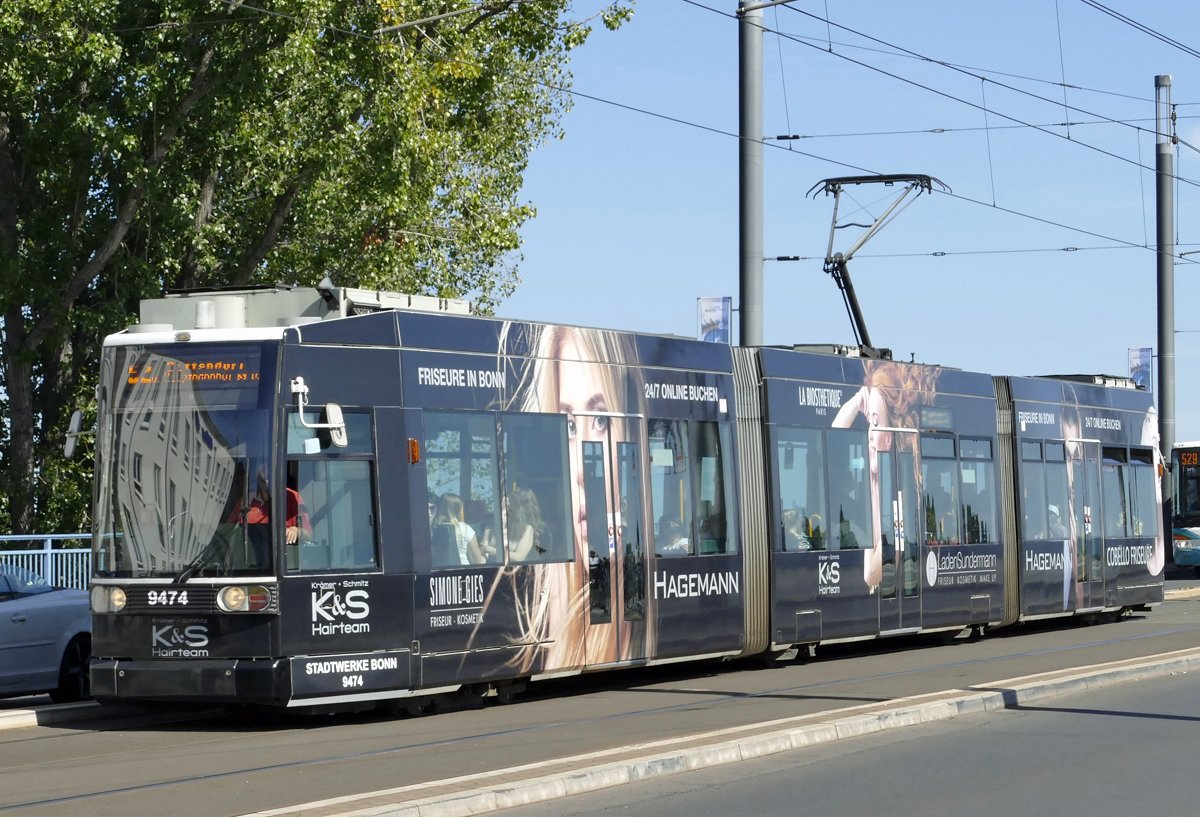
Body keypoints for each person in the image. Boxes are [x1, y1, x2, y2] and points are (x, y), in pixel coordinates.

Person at [432, 493, 485, 565]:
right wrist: (485, 555)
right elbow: (476, 561)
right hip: (462, 571)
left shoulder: (432, 529)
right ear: (457, 511)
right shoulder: (465, 529)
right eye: (461, 509)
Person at [507, 487, 547, 562]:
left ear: (530, 504)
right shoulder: (510, 524)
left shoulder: (541, 527)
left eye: (523, 502)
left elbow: (545, 553)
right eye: (517, 502)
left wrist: (535, 548)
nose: (520, 506)